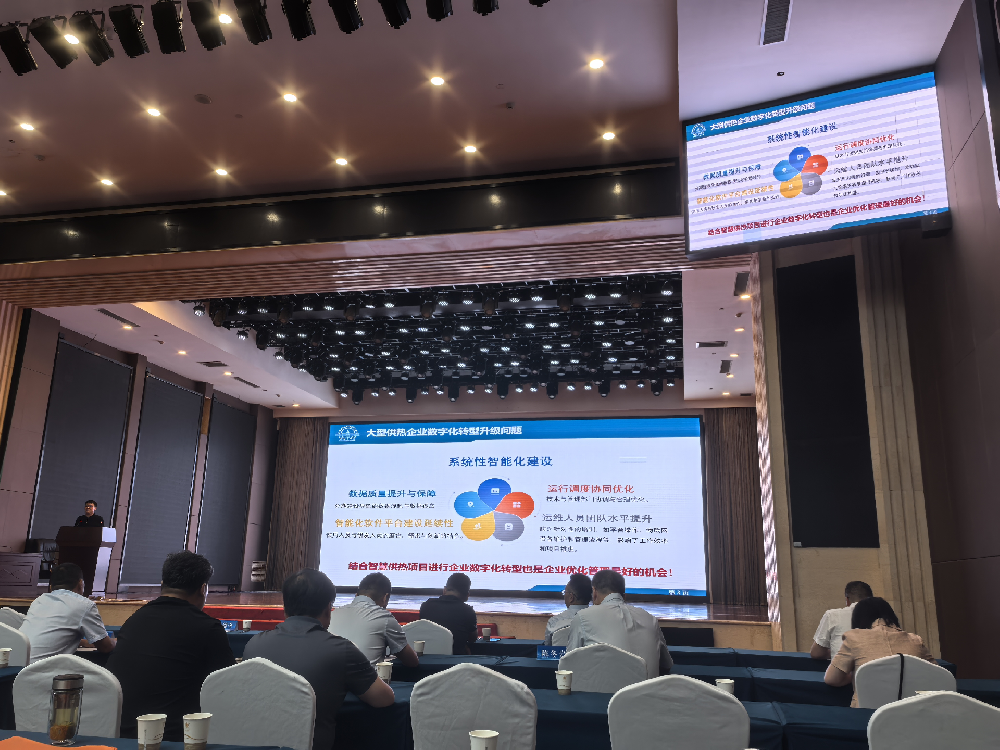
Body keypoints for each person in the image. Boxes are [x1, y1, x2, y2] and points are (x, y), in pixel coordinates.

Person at [244, 569, 394, 750]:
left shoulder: (253, 645)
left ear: (285, 607)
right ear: (328, 608)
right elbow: (383, 699)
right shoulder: (341, 650)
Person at [107, 551, 235, 741]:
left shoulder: (134, 621)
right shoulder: (207, 628)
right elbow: (229, 687)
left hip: (121, 735)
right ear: (203, 589)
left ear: (162, 585)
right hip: (175, 739)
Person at [824, 596, 936, 707]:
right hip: (912, 711)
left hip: (867, 714)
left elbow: (832, 679)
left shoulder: (854, 638)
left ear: (858, 619)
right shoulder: (915, 640)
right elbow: (937, 675)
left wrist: (857, 676)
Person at [565, 569, 673, 679]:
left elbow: (568, 666)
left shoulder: (583, 617)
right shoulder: (650, 619)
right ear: (624, 597)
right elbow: (666, 666)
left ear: (594, 592)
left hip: (602, 690)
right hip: (649, 690)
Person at [20, 563, 116, 664]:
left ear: (51, 587)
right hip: (42, 669)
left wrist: (83, 642)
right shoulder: (84, 605)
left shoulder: (39, 601)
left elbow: (48, 635)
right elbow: (106, 647)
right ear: (81, 584)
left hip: (16, 666)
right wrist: (116, 642)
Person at [327, 572, 418, 666]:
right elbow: (412, 661)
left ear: (356, 595)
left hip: (328, 674)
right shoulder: (384, 617)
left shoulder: (331, 615)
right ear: (385, 597)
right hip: (366, 675)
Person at [811, 580, 873, 660]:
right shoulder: (883, 617)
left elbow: (816, 653)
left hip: (842, 666)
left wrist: (836, 652)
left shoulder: (832, 615)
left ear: (847, 600)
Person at [419, 573, 478, 655]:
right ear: (467, 596)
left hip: (428, 656)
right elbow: (472, 639)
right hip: (456, 659)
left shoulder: (426, 606)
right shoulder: (468, 611)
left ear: (444, 590)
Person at [544, 573, 591, 645]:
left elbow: (547, 649)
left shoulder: (554, 622)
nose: (564, 595)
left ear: (571, 597)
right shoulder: (599, 622)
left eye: (565, 592)